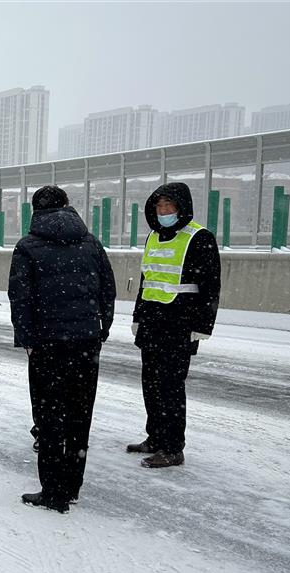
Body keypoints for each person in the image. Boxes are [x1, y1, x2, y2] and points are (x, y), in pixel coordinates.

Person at [8, 186, 116, 513]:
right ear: (68, 207)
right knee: (79, 416)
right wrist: (100, 330)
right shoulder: (91, 243)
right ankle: (72, 487)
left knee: (49, 417)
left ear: (35, 211)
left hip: (46, 345)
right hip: (85, 342)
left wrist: (27, 340)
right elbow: (107, 291)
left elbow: (21, 298)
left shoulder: (28, 247)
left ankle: (52, 491)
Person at [127, 182, 221, 468]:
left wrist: (203, 325)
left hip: (180, 323)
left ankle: (172, 447)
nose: (164, 211)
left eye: (169, 206)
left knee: (171, 387)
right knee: (151, 384)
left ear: (181, 207)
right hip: (152, 322)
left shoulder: (199, 238)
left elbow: (210, 284)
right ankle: (154, 437)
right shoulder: (153, 237)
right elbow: (147, 279)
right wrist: (137, 315)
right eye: (159, 206)